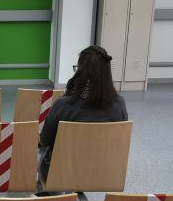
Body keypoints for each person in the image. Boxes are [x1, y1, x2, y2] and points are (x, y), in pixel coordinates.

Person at [38, 45, 128, 184]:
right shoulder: (119, 105)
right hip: (104, 172)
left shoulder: (63, 105)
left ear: (80, 71)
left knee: (40, 153)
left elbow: (45, 140)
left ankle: (49, 199)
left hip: (62, 170)